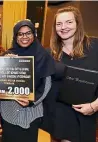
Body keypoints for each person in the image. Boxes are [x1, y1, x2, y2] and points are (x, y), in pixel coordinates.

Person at [0, 20, 55, 142]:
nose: (24, 37)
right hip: (9, 111)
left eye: (28, 33)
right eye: (20, 34)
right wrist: (2, 61)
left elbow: (46, 85)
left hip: (32, 112)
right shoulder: (8, 54)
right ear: (16, 36)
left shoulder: (43, 56)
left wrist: (31, 100)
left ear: (34, 35)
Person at [49, 6, 98, 142]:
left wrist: (94, 106)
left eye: (69, 22)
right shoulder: (51, 53)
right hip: (59, 115)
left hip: (87, 113)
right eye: (59, 24)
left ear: (78, 23)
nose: (63, 27)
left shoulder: (95, 47)